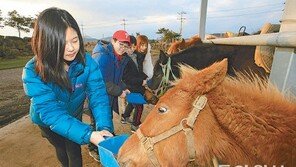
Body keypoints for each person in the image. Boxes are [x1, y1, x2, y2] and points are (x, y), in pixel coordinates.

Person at [22, 7, 113, 167]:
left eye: (75, 40)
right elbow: (51, 114)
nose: (71, 48)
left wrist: (104, 127)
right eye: (61, 43)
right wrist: (89, 134)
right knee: (61, 149)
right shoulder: (32, 72)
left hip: (74, 115)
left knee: (74, 153)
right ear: (46, 43)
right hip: (46, 122)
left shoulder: (87, 63)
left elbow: (98, 96)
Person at [89, 30, 131, 160]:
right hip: (97, 96)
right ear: (113, 41)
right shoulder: (102, 56)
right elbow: (100, 81)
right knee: (96, 121)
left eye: (126, 46)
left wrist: (124, 88)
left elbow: (116, 78)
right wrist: (119, 92)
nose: (123, 48)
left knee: (107, 118)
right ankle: (94, 148)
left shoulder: (120, 58)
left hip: (109, 95)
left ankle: (108, 137)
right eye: (120, 44)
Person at [121, 36, 148, 132]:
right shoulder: (124, 60)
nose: (131, 49)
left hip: (135, 86)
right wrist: (142, 81)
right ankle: (135, 124)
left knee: (132, 104)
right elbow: (127, 78)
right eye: (129, 47)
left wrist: (145, 77)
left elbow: (138, 71)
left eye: (133, 47)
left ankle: (125, 116)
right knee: (139, 106)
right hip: (131, 87)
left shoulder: (135, 57)